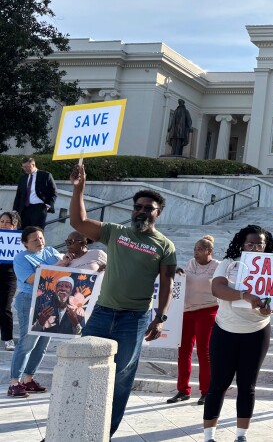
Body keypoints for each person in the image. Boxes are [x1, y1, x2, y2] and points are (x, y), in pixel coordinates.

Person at [68, 163, 176, 437]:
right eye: (138, 206)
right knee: (82, 366)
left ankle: (105, 433)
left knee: (121, 379)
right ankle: (69, 428)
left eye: (148, 208)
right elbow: (78, 223)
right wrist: (79, 189)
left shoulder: (165, 245)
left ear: (158, 213)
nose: (141, 211)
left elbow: (167, 283)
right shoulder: (115, 231)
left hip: (135, 319)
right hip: (103, 313)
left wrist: (160, 317)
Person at [203, 225, 273, 442]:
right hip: (226, 330)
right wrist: (244, 295)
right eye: (250, 243)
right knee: (218, 384)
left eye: (260, 244)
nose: (255, 247)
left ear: (266, 246)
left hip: (257, 331)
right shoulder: (228, 263)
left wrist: (268, 308)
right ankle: (208, 436)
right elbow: (217, 289)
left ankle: (241, 436)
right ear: (242, 244)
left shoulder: (272, 267)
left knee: (247, 386)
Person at [7, 226, 60, 398]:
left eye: (41, 238)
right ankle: (14, 383)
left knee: (42, 343)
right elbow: (32, 279)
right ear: (25, 243)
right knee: (27, 342)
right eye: (35, 240)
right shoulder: (21, 258)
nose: (40, 242)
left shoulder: (51, 252)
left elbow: (68, 270)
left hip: (50, 300)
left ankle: (28, 380)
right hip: (29, 300)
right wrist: (60, 265)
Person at [168, 235, 220, 405]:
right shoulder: (191, 263)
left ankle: (207, 391)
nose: (196, 252)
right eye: (195, 249)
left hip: (208, 310)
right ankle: (183, 390)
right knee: (183, 350)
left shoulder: (217, 266)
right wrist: (178, 273)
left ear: (209, 251)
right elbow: (183, 280)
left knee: (204, 351)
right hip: (187, 311)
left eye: (200, 249)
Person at [13, 157, 57, 228]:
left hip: (39, 208)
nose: (25, 169)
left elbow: (54, 192)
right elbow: (18, 195)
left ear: (33, 165)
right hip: (24, 208)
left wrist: (48, 206)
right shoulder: (23, 178)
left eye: (27, 167)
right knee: (22, 231)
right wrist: (15, 210)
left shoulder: (45, 175)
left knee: (36, 230)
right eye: (23, 167)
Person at [0, 211, 21, 352]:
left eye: (7, 222)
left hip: (9, 276)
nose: (3, 224)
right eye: (1, 222)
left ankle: (8, 339)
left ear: (14, 225)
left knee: (5, 306)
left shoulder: (19, 240)